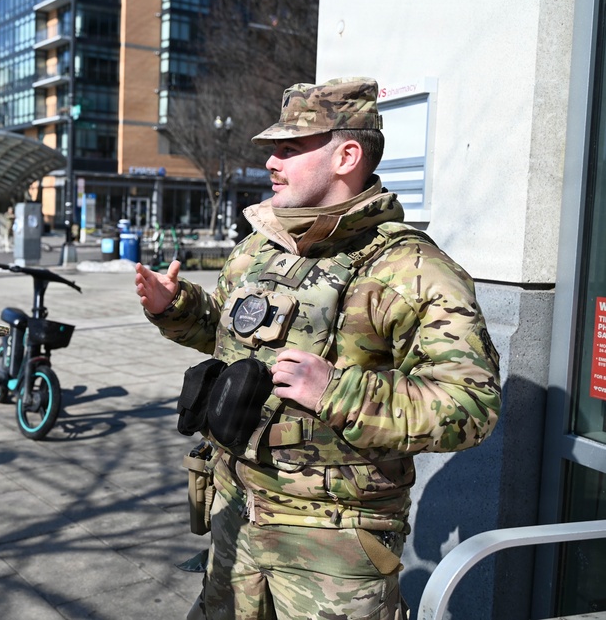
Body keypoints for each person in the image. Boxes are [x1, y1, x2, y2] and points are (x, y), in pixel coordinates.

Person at [134, 77, 501, 620]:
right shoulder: (257, 250)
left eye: (289, 149)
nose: (272, 164)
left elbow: (472, 405)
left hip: (333, 544)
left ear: (346, 156)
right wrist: (178, 308)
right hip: (237, 511)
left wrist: (337, 391)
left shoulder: (411, 269)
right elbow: (230, 338)